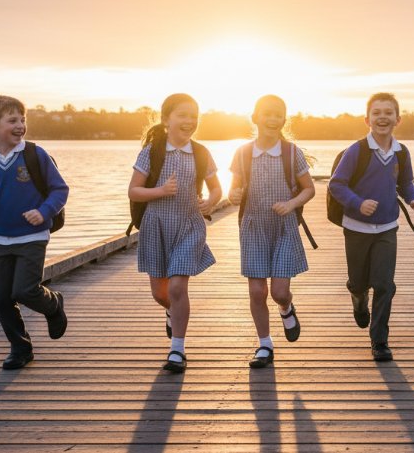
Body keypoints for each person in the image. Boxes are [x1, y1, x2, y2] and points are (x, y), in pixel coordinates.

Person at [0, 95, 69, 370]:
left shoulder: (35, 154)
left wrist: (44, 212)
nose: (20, 125)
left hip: (32, 236)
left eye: (23, 119)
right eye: (13, 120)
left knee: (25, 290)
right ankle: (20, 348)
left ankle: (53, 304)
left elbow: (60, 190)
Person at [128, 93, 222, 373]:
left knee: (179, 287)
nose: (189, 121)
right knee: (162, 293)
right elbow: (134, 190)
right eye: (182, 115)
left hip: (189, 225)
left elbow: (216, 187)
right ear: (166, 119)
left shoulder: (201, 152)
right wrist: (160, 191)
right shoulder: (152, 152)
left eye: (193, 115)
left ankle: (177, 351)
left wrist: (212, 200)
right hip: (156, 226)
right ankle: (171, 311)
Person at [329, 92, 414, 362]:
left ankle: (379, 340)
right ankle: (358, 298)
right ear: (367, 119)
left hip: (386, 228)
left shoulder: (401, 152)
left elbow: (405, 184)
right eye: (377, 113)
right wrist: (358, 203)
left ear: (398, 119)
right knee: (359, 281)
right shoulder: (356, 150)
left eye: (388, 112)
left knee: (384, 284)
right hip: (356, 228)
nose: (383, 117)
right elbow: (337, 184)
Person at [228, 95, 315, 369]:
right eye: (267, 113)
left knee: (278, 291)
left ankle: (286, 308)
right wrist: (234, 194)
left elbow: (309, 189)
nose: (273, 118)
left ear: (283, 120)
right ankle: (265, 344)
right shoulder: (243, 153)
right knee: (256, 291)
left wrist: (291, 204)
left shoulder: (291, 152)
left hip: (284, 228)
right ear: (255, 118)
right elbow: (234, 189)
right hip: (253, 226)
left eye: (279, 114)